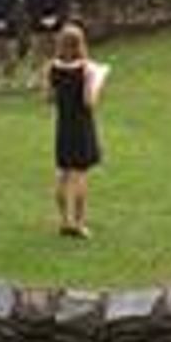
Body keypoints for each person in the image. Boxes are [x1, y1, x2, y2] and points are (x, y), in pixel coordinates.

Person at [49, 24, 105, 237]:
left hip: (63, 125)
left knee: (62, 174)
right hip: (81, 126)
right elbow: (89, 102)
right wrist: (97, 85)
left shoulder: (52, 68)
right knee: (80, 174)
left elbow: (49, 98)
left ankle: (64, 221)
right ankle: (79, 223)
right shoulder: (86, 69)